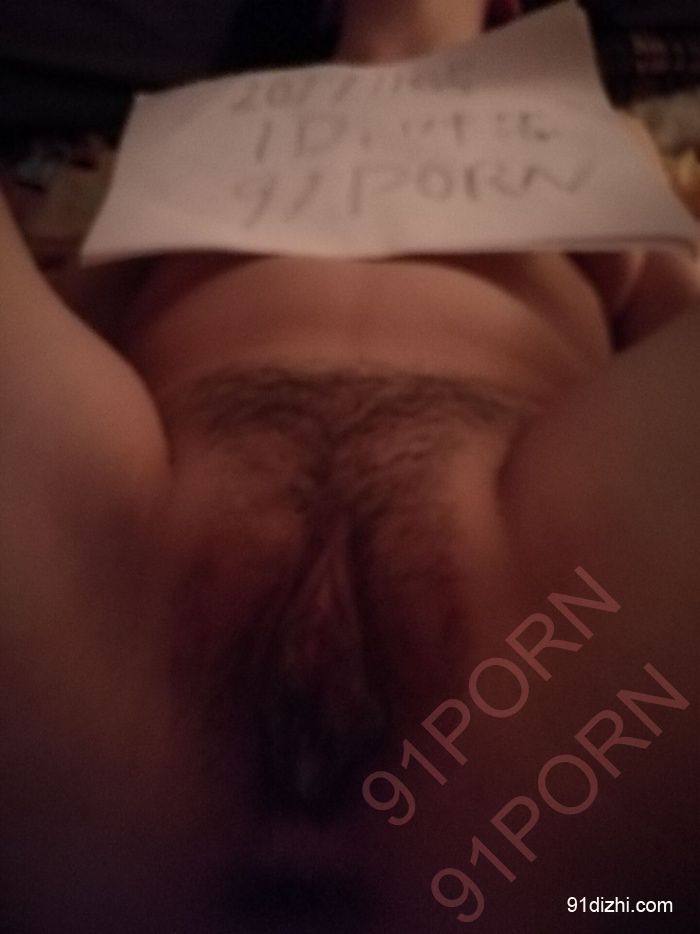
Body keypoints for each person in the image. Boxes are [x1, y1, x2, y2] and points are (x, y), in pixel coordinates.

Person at [1, 1, 699, 932]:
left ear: (507, 8)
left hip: (108, 689)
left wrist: (646, 251)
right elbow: (84, 306)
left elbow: (664, 302)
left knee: (634, 899)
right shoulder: (208, 130)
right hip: (131, 560)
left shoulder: (576, 128)